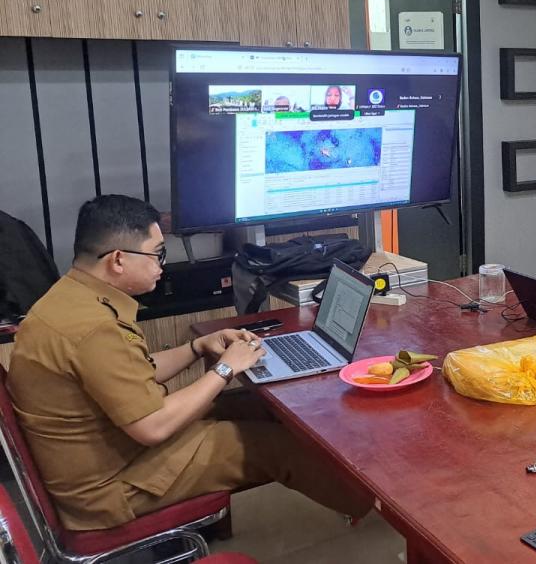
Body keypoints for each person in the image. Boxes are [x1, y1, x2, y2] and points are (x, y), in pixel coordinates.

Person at [7, 195, 372, 531]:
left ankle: (356, 486)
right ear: (118, 260)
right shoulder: (91, 329)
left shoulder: (70, 297)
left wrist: (197, 347)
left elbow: (135, 370)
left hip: (111, 453)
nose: (161, 267)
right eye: (157, 255)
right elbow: (152, 427)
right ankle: (376, 506)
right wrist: (225, 368)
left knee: (256, 406)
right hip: (111, 488)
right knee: (273, 446)